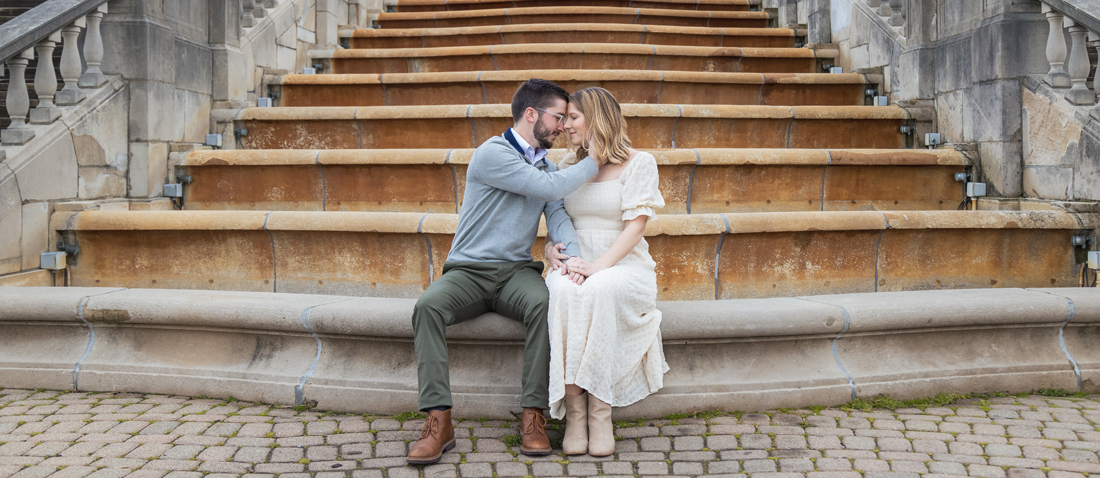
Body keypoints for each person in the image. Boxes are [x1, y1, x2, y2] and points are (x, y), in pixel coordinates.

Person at [406, 79, 601, 465]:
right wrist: (596, 160)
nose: (562, 126)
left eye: (565, 119)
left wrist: (575, 263)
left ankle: (533, 416)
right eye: (557, 117)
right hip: (469, 271)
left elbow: (558, 215)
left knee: (544, 304)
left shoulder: (545, 165)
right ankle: (437, 419)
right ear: (531, 115)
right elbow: (547, 188)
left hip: (515, 273)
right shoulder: (492, 154)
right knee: (428, 306)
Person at [543, 87, 668, 457]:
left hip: (622, 266)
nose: (565, 126)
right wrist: (552, 249)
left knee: (599, 289)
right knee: (562, 292)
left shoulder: (639, 162)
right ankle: (574, 414)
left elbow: (635, 227)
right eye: (564, 118)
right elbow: (560, 218)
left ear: (596, 118)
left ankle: (600, 412)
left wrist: (598, 267)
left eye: (573, 117)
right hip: (576, 261)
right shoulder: (568, 167)